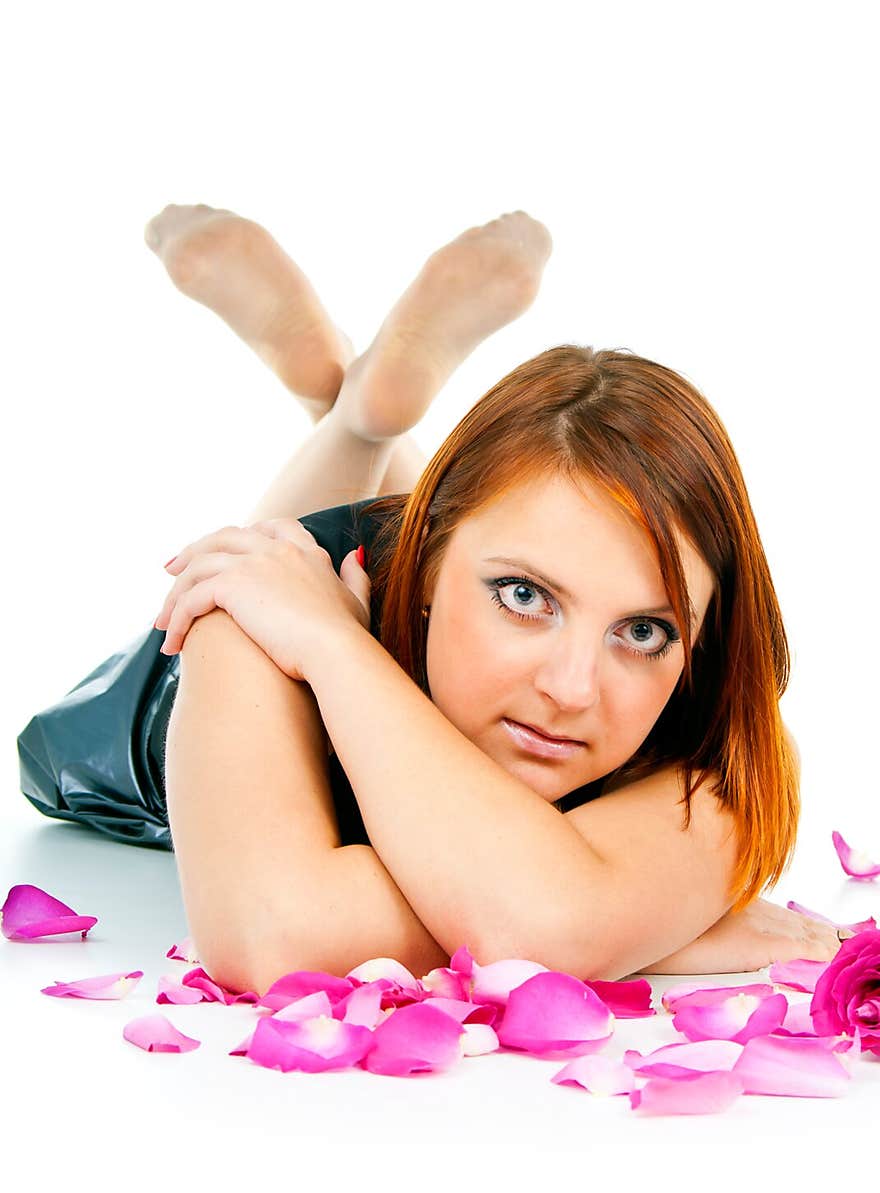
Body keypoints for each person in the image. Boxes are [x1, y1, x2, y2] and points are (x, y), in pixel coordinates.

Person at [26, 205, 844, 992]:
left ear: (702, 639)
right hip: (175, 709)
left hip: (398, 605)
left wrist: (605, 926)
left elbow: (549, 923)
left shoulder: (721, 748)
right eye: (525, 596)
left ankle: (360, 415)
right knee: (286, 549)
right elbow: (274, 932)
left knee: (470, 549)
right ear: (419, 561)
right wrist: (634, 931)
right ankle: (359, 424)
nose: (571, 689)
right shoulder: (259, 617)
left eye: (643, 630)